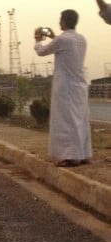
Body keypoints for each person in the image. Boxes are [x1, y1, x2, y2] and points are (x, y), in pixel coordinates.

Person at [34, 10, 92, 167]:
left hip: (66, 86)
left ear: (64, 22)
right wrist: (54, 37)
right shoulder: (81, 39)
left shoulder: (62, 39)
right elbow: (66, 49)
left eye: (60, 20)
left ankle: (70, 156)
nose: (59, 22)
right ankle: (83, 154)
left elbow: (41, 51)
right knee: (80, 121)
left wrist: (38, 40)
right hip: (80, 85)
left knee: (66, 122)